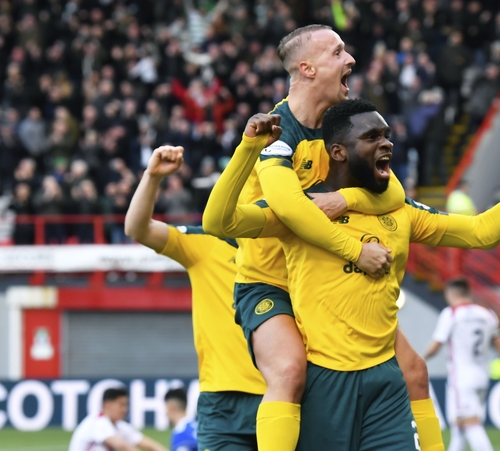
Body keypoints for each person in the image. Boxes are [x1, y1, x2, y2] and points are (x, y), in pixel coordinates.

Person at [203, 100, 500, 450]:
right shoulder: (303, 211)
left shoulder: (401, 211)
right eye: (372, 137)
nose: (386, 144)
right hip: (326, 383)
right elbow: (219, 221)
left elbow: (481, 232)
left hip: (385, 386)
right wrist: (248, 148)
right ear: (339, 152)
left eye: (387, 135)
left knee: (417, 375)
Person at [228, 25, 440, 451]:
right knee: (289, 371)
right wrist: (355, 250)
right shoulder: (275, 131)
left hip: (325, 280)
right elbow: (291, 211)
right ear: (307, 68)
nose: (351, 60)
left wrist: (343, 198)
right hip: (271, 283)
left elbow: (393, 193)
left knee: (414, 370)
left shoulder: (339, 129)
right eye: (337, 52)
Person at [124, 145, 266, 450]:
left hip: (284, 395)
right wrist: (151, 177)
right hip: (222, 400)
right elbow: (137, 228)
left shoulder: (292, 248)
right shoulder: (205, 243)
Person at [423, 277, 500, 451]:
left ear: (451, 293)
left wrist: (420, 359)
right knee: (460, 427)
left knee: (470, 424)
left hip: (461, 379)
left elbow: (436, 345)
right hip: (481, 376)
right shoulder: (487, 314)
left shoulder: (451, 314)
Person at [69, 388, 167, 451]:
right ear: (107, 405)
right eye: (121, 405)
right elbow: (124, 447)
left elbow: (148, 444)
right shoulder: (98, 422)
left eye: (126, 405)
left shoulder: (119, 425)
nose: (125, 409)